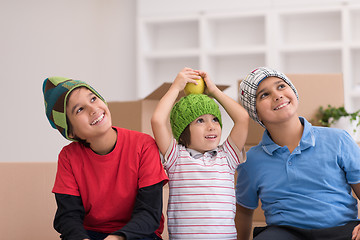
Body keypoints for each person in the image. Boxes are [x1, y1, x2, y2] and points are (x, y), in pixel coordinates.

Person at [235, 67, 360, 240]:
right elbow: (243, 212)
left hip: (342, 230)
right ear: (255, 112)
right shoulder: (251, 161)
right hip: (284, 232)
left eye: (281, 86)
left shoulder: (338, 140)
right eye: (264, 95)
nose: (277, 95)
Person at [42, 76, 169, 240]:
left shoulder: (144, 145)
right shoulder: (69, 157)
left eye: (93, 99)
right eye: (79, 110)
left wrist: (116, 238)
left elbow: (149, 213)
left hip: (138, 234)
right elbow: (68, 217)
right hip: (90, 235)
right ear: (71, 132)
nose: (93, 109)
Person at [151, 67, 249, 239]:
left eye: (215, 119)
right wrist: (175, 87)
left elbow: (242, 118)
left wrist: (213, 90)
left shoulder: (227, 156)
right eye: (200, 120)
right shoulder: (176, 157)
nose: (211, 126)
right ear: (183, 130)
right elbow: (158, 120)